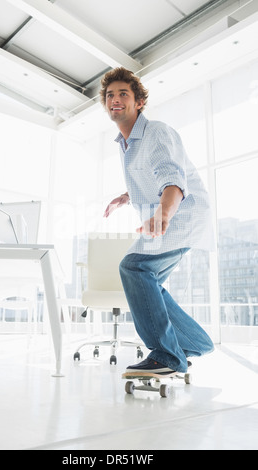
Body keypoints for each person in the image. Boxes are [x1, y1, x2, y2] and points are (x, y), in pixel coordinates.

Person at [100, 67, 214, 375]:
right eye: (110, 95)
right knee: (147, 280)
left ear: (138, 102)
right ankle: (194, 342)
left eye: (123, 93)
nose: (115, 99)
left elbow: (171, 178)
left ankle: (166, 355)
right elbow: (150, 174)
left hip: (182, 213)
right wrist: (126, 196)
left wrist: (163, 214)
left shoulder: (156, 132)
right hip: (173, 215)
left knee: (134, 267)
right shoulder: (126, 144)